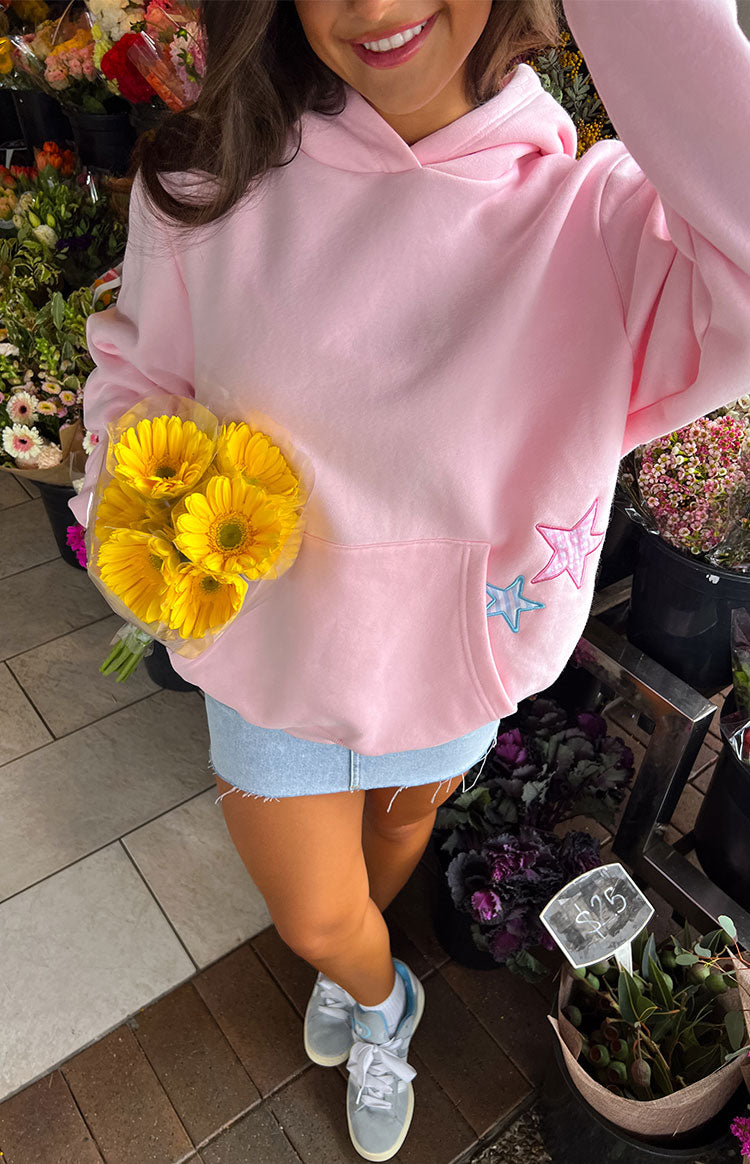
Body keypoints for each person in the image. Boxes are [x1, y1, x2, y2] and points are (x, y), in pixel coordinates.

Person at [70, 0, 750, 1157]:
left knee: (395, 844)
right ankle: (381, 997)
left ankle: (363, 965)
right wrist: (141, 493)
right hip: (267, 672)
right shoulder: (210, 181)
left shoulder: (599, 227)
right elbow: (136, 372)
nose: (376, 6)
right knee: (317, 917)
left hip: (454, 671)